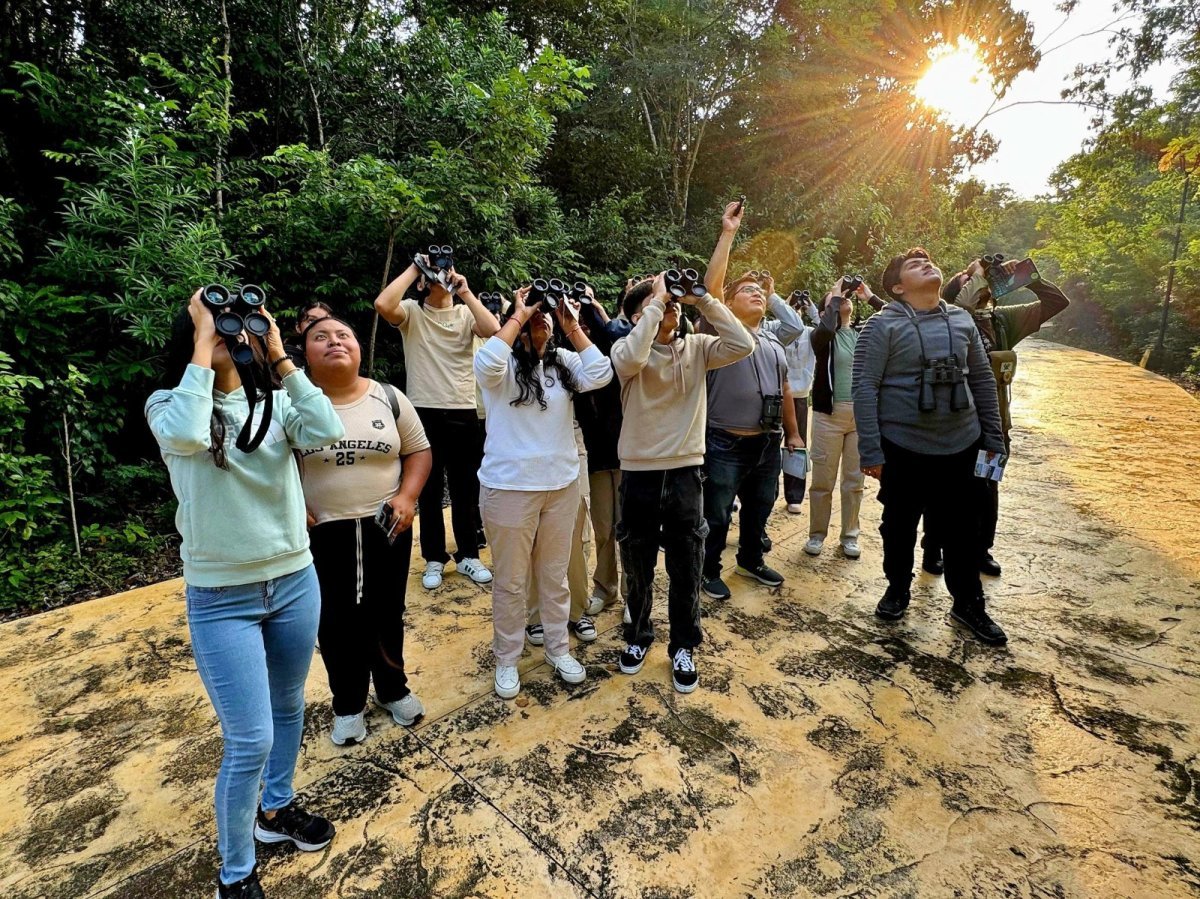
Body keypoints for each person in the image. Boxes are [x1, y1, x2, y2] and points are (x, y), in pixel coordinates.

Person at [146, 290, 346, 899]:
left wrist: (280, 354)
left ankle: (275, 811)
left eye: (239, 329)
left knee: (288, 707)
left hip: (293, 580)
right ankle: (234, 875)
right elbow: (184, 432)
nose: (236, 337)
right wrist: (205, 335)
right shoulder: (170, 403)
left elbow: (326, 428)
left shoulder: (276, 404)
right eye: (219, 328)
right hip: (220, 596)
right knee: (250, 738)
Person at [853, 247, 1008, 645]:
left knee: (964, 530)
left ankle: (968, 603)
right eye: (913, 265)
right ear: (898, 287)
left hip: (963, 444)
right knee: (898, 527)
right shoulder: (880, 325)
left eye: (928, 260)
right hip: (903, 447)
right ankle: (897, 589)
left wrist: (993, 438)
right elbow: (864, 388)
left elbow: (982, 381)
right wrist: (871, 450)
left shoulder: (962, 319)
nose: (927, 264)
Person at [612, 272, 754, 693]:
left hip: (686, 470)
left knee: (687, 565)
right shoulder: (627, 349)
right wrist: (654, 304)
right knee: (637, 564)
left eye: (670, 303)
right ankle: (638, 636)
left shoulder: (697, 348)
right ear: (637, 316)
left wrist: (703, 300)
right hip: (638, 469)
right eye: (656, 305)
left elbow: (743, 344)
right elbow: (630, 361)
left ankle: (683, 646)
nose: (667, 307)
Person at [298, 316, 433, 747]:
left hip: (386, 525)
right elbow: (271, 463)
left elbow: (418, 451)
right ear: (303, 353)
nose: (334, 342)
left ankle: (394, 689)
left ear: (359, 348)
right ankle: (348, 704)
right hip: (322, 531)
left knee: (387, 611)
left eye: (344, 335)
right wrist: (292, 504)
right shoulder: (290, 403)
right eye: (321, 337)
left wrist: (408, 498)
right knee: (334, 620)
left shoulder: (387, 397)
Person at [475, 287, 614, 699]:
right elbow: (485, 362)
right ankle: (507, 658)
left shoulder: (564, 362)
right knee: (512, 582)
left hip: (561, 486)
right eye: (537, 312)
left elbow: (602, 371)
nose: (542, 317)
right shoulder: (501, 366)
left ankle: (557, 648)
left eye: (544, 313)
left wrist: (569, 322)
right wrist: (518, 315)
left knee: (555, 578)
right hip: (509, 489)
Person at [919, 259, 1071, 577]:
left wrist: (1024, 277)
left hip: (993, 426)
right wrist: (974, 274)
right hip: (952, 427)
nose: (982, 284)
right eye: (971, 282)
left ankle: (980, 551)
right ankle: (933, 548)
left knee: (987, 487)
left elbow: (1057, 302)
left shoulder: (1001, 322)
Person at [697, 199, 807, 599]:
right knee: (716, 512)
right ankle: (708, 569)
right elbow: (710, 290)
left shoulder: (774, 337)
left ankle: (749, 560)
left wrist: (793, 434)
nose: (757, 295)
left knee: (761, 506)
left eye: (760, 292)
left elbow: (786, 387)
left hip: (768, 441)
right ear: (727, 304)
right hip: (724, 441)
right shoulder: (717, 330)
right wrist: (728, 233)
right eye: (747, 291)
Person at [374, 253, 501, 590]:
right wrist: (416, 267)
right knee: (428, 493)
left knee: (464, 489)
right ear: (420, 282)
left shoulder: (464, 314)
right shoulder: (413, 313)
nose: (439, 275)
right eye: (432, 273)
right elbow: (384, 304)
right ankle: (433, 558)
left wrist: (465, 291)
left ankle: (469, 556)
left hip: (462, 409)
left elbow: (493, 329)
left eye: (444, 269)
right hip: (422, 411)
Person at [804, 278, 880, 560]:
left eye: (845, 298)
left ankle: (850, 536)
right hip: (829, 416)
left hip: (859, 417)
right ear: (828, 309)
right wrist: (834, 297)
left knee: (854, 482)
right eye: (835, 300)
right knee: (823, 481)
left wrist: (869, 296)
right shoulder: (822, 337)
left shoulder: (865, 332)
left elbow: (895, 317)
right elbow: (824, 328)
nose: (842, 300)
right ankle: (816, 535)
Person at [782, 291, 821, 513]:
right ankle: (766, 493)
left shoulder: (810, 334)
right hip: (776, 394)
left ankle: (794, 496)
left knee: (797, 447)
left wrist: (811, 308)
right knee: (766, 445)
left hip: (800, 397)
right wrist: (786, 307)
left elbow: (826, 329)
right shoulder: (778, 331)